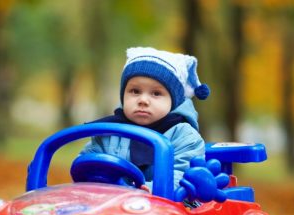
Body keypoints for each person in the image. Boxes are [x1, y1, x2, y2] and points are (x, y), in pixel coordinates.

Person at [80, 47, 210, 191]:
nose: (143, 100)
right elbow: (87, 165)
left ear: (173, 101)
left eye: (156, 93)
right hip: (113, 205)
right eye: (135, 91)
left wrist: (153, 189)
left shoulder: (184, 136)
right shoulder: (108, 132)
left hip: (168, 206)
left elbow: (185, 175)